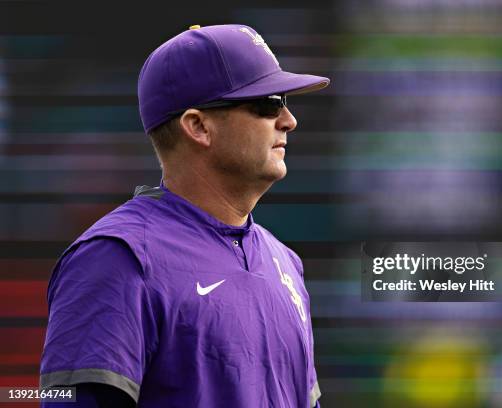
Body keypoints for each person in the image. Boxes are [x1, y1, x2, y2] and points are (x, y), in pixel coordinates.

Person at [39, 24, 329, 408]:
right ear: (197, 126)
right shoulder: (118, 258)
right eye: (268, 102)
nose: (289, 120)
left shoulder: (286, 263)